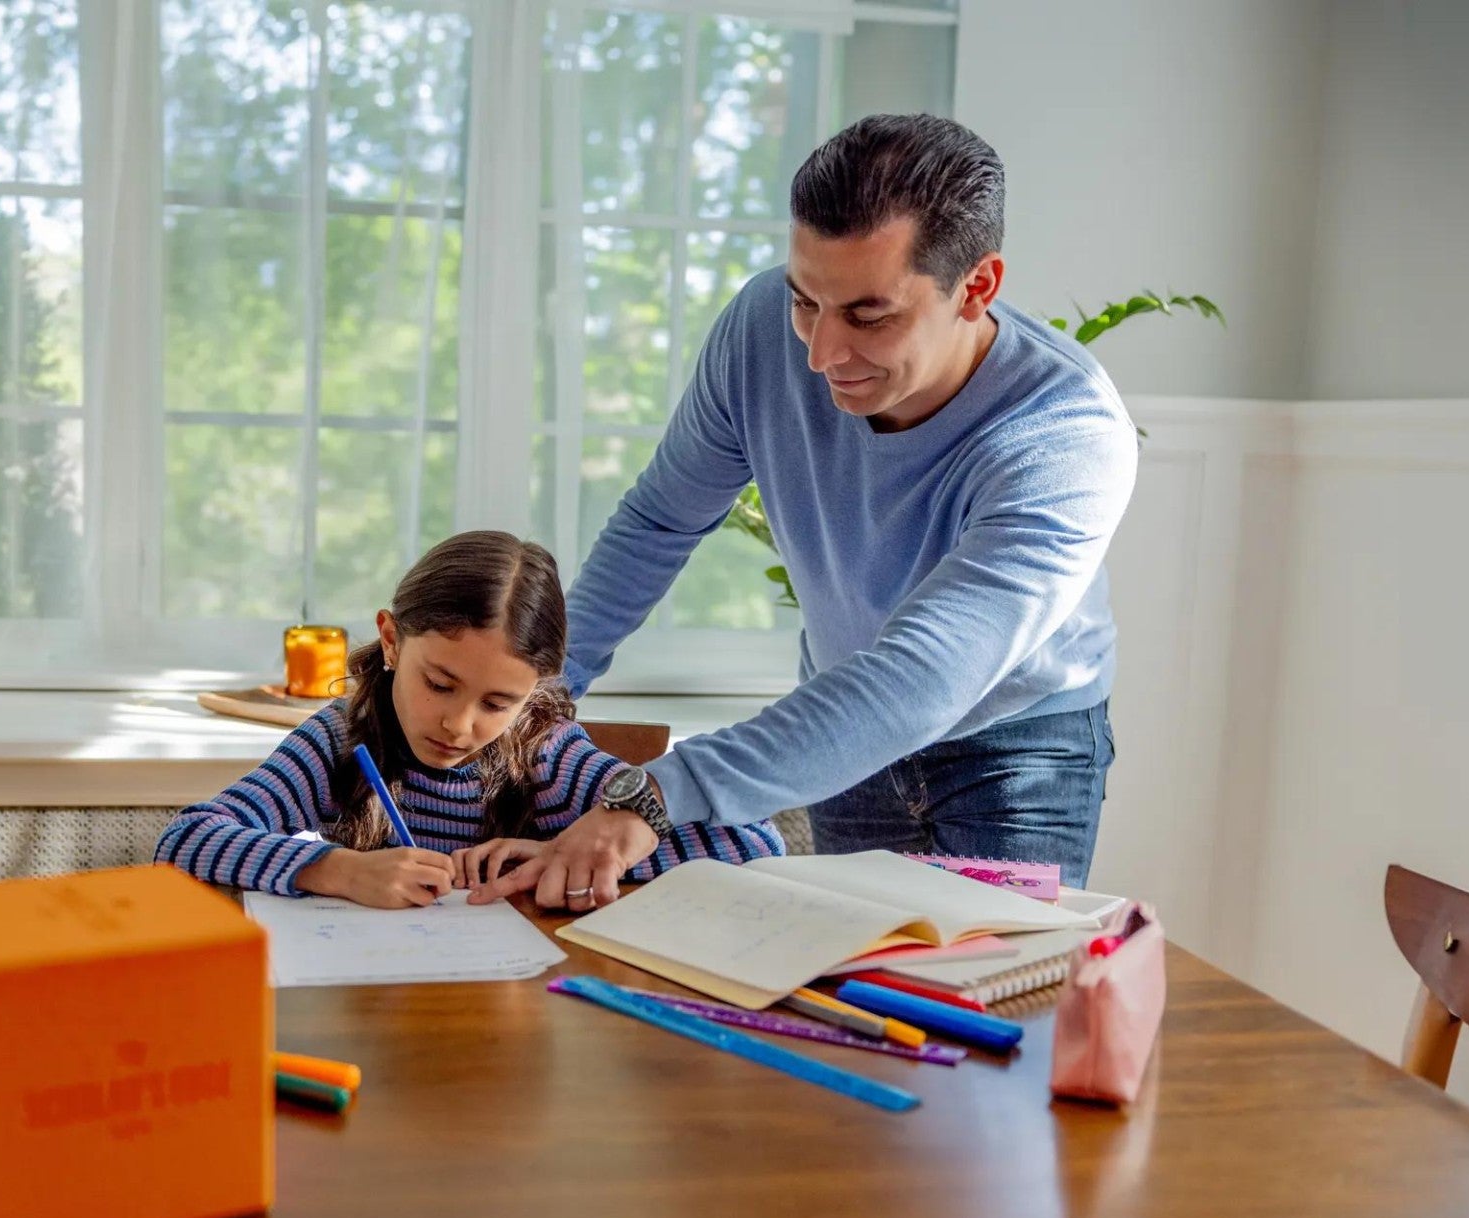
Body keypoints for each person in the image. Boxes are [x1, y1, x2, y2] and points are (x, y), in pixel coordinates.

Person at [474, 113, 1136, 909]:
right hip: (839, 723)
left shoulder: (1065, 434)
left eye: (869, 315)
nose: (820, 354)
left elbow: (920, 680)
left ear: (978, 287)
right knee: (843, 993)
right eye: (804, 301)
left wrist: (653, 797)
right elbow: (661, 520)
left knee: (993, 1004)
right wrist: (538, 688)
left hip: (1016, 751)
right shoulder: (761, 331)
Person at [155, 531, 783, 908]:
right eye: (439, 684)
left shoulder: (550, 758)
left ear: (535, 692)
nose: (459, 725)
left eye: (497, 704)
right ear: (392, 640)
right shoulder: (339, 740)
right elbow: (185, 839)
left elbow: (757, 843)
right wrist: (338, 871)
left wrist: (564, 858)